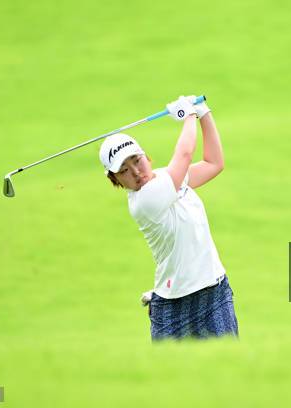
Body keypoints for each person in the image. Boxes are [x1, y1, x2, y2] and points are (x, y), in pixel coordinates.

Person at [98, 95, 239, 341]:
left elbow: (214, 163)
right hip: (175, 310)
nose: (136, 172)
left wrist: (204, 112)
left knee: (229, 373)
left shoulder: (167, 178)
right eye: (124, 171)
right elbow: (184, 154)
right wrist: (188, 115)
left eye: (137, 161)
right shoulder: (144, 201)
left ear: (146, 156)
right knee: (169, 378)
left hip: (215, 293)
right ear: (115, 180)